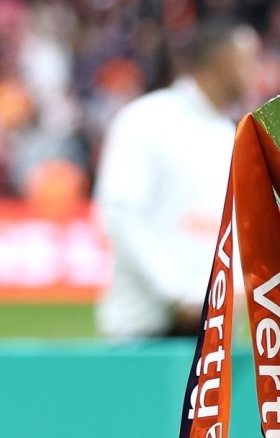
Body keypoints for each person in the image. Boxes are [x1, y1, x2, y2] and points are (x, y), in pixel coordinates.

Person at [93, 19, 264, 339]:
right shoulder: (147, 120)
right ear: (222, 61)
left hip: (212, 335)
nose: (256, 71)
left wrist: (237, 291)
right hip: (147, 331)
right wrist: (179, 295)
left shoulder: (229, 134)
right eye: (249, 60)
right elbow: (119, 215)